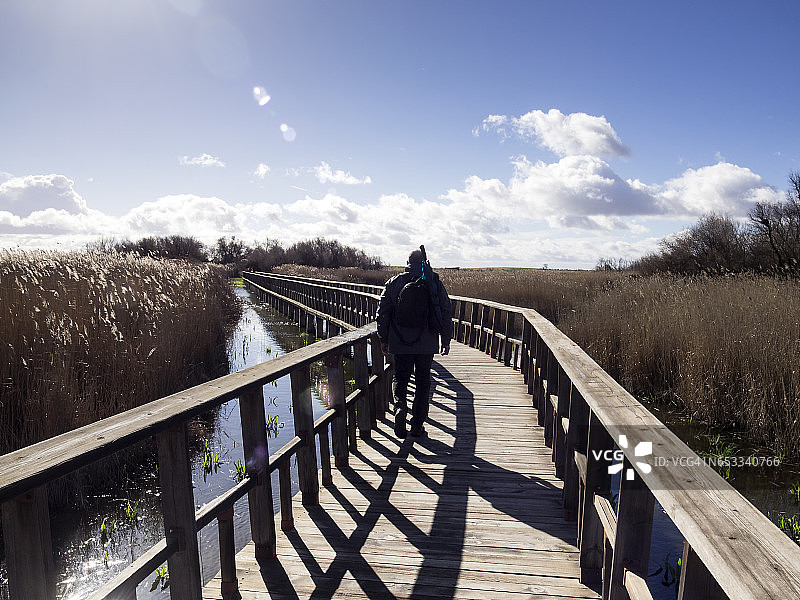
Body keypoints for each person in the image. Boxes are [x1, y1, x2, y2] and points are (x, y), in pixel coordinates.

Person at [376, 248, 453, 439]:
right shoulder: (433, 281)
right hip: (426, 343)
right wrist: (446, 339)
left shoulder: (394, 283)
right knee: (422, 382)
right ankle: (417, 425)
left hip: (400, 342)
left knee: (400, 379)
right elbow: (445, 310)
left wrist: (383, 338)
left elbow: (382, 313)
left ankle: (400, 408)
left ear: (407, 262)